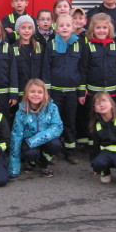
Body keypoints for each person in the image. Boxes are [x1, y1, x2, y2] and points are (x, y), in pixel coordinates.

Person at [78, 13, 116, 150]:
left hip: (113, 94)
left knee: (111, 119)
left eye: (104, 28)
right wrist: (82, 91)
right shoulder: (88, 47)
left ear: (109, 29)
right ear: (92, 30)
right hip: (93, 94)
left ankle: (110, 144)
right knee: (93, 119)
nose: (101, 31)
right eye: (98, 28)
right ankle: (93, 146)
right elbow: (83, 70)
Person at [43, 14, 82, 164]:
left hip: (72, 92)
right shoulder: (51, 45)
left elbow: (82, 69)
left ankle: (70, 151)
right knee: (54, 122)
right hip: (55, 92)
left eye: (68, 25)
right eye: (61, 25)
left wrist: (81, 91)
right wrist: (47, 92)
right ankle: (53, 152)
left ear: (73, 28)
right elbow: (46, 69)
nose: (65, 28)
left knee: (70, 122)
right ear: (56, 28)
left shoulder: (79, 44)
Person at [8, 79, 63, 179]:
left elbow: (57, 127)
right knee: (31, 153)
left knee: (55, 144)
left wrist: (33, 141)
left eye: (40, 92)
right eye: (32, 91)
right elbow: (16, 136)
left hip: (43, 141)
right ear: (26, 93)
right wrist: (13, 169)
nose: (36, 95)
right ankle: (31, 161)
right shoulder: (21, 112)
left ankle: (44, 163)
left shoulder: (52, 108)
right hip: (29, 144)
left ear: (45, 94)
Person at [13, 15, 43, 101]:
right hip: (21, 92)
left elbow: (43, 69)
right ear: (18, 30)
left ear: (33, 30)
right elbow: (13, 72)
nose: (26, 31)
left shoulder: (39, 47)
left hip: (36, 92)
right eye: (23, 28)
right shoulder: (13, 48)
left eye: (30, 28)